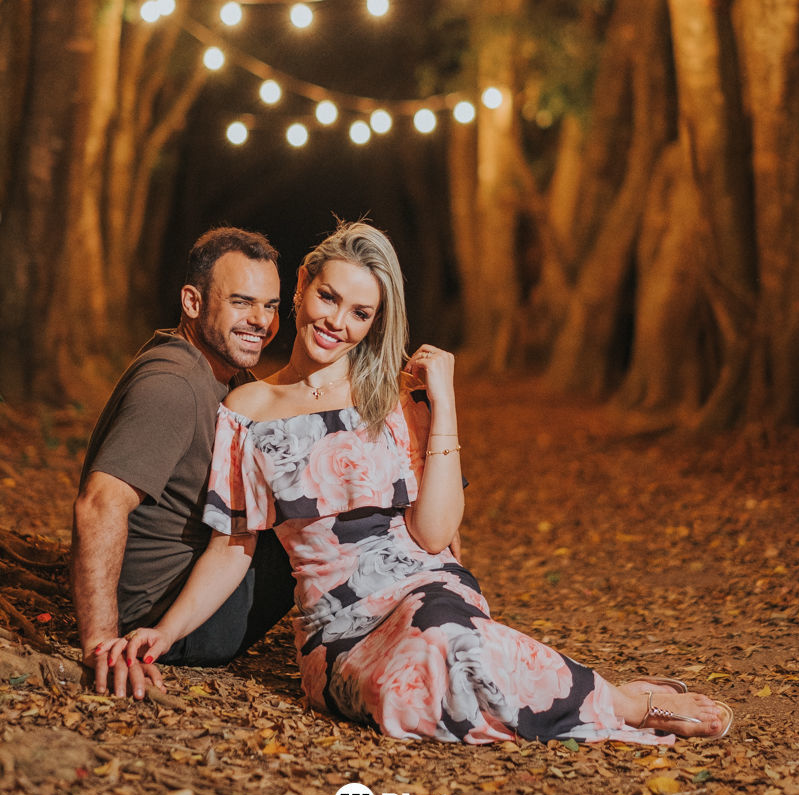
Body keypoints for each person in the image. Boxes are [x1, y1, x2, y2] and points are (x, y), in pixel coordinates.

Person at [103, 221, 733, 744]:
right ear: (301, 286)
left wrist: (445, 403)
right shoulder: (246, 410)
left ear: (375, 322)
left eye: (360, 313)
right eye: (328, 298)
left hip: (424, 588)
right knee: (405, 697)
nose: (337, 322)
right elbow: (231, 548)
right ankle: (581, 694)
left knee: (445, 640)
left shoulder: (392, 397)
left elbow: (434, 534)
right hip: (335, 624)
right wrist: (166, 631)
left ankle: (627, 704)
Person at [71, 226, 295, 700]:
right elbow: (99, 504)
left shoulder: (216, 371)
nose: (260, 320)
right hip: (164, 623)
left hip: (180, 602)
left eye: (270, 305)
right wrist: (101, 643)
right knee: (334, 511)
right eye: (241, 302)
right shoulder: (173, 386)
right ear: (193, 302)